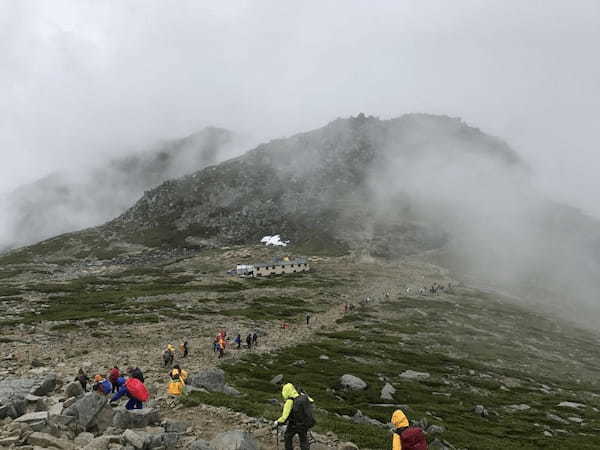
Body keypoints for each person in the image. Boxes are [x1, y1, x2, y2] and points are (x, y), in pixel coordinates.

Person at [274, 383, 315, 450]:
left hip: (293, 424)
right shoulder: (303, 397)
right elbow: (311, 400)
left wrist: (277, 422)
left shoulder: (289, 401)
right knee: (303, 440)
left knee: (287, 437)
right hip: (304, 424)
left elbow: (284, 417)